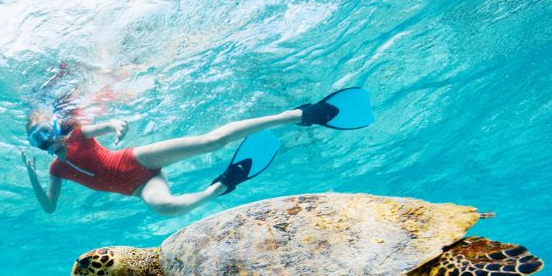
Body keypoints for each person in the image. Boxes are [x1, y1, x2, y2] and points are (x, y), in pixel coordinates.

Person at [22, 88, 372, 216]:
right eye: (39, 141)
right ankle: (220, 186)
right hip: (140, 187)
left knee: (210, 142)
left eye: (46, 133)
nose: (48, 142)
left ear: (56, 127)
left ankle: (297, 115)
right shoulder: (55, 171)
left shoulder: (80, 135)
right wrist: (33, 177)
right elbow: (50, 208)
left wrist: (116, 127)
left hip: (138, 159)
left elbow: (109, 125)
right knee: (166, 209)